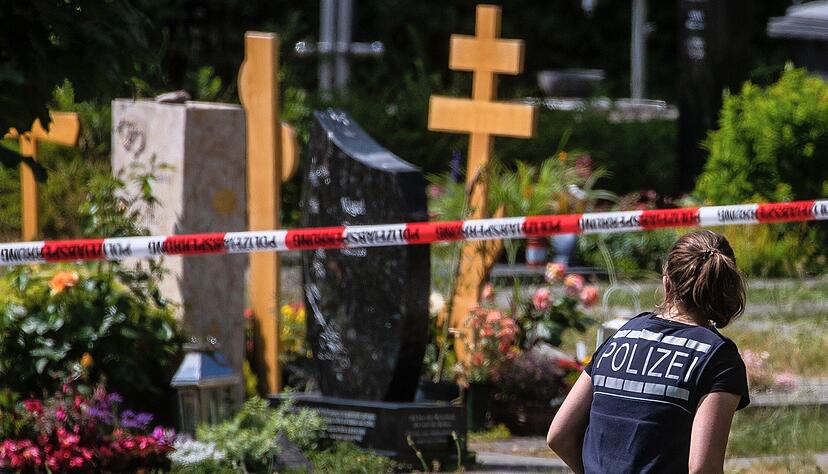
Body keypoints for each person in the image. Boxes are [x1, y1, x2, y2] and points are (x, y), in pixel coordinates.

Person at [547, 230, 750, 474]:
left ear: (667, 284)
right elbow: (703, 468)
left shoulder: (624, 335)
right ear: (726, 287)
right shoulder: (718, 357)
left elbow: (558, 435)